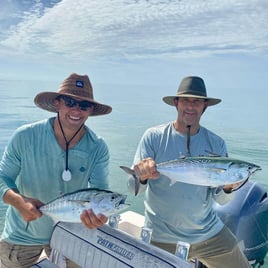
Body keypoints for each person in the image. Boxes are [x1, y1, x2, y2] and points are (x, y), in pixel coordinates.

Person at [128, 76, 251, 268]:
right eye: (186, 100)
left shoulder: (217, 143)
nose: (191, 107)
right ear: (176, 103)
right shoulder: (153, 137)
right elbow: (133, 187)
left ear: (205, 106)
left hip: (209, 234)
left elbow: (220, 200)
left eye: (197, 101)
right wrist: (141, 177)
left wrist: (228, 188)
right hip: (161, 236)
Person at [0, 73, 112, 268]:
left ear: (90, 110)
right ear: (58, 103)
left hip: (70, 234)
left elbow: (100, 192)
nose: (77, 110)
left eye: (84, 105)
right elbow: (3, 177)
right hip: (22, 235)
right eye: (70, 102)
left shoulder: (98, 147)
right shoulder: (25, 136)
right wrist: (19, 202)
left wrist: (100, 217)